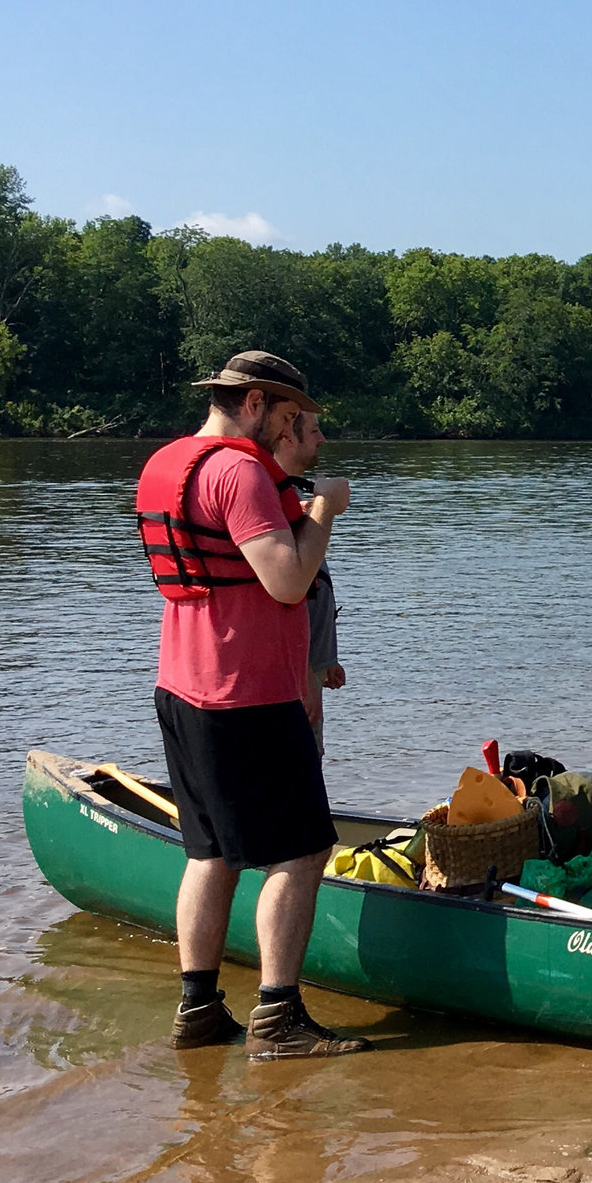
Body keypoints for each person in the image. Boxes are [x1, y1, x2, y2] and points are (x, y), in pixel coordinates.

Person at [136, 350, 369, 1059]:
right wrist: (324, 509)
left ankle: (199, 1009)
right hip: (245, 699)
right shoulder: (238, 470)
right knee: (302, 850)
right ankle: (279, 1018)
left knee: (210, 854)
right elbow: (288, 581)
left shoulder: (171, 459)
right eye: (306, 421)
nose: (317, 436)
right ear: (261, 406)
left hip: (183, 685)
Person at [266, 403, 346, 748]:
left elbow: (313, 590)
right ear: (287, 437)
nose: (322, 439)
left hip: (307, 669)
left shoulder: (287, 499)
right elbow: (281, 603)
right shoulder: (270, 505)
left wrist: (326, 659)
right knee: (301, 770)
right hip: (293, 679)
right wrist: (303, 678)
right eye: (314, 431)